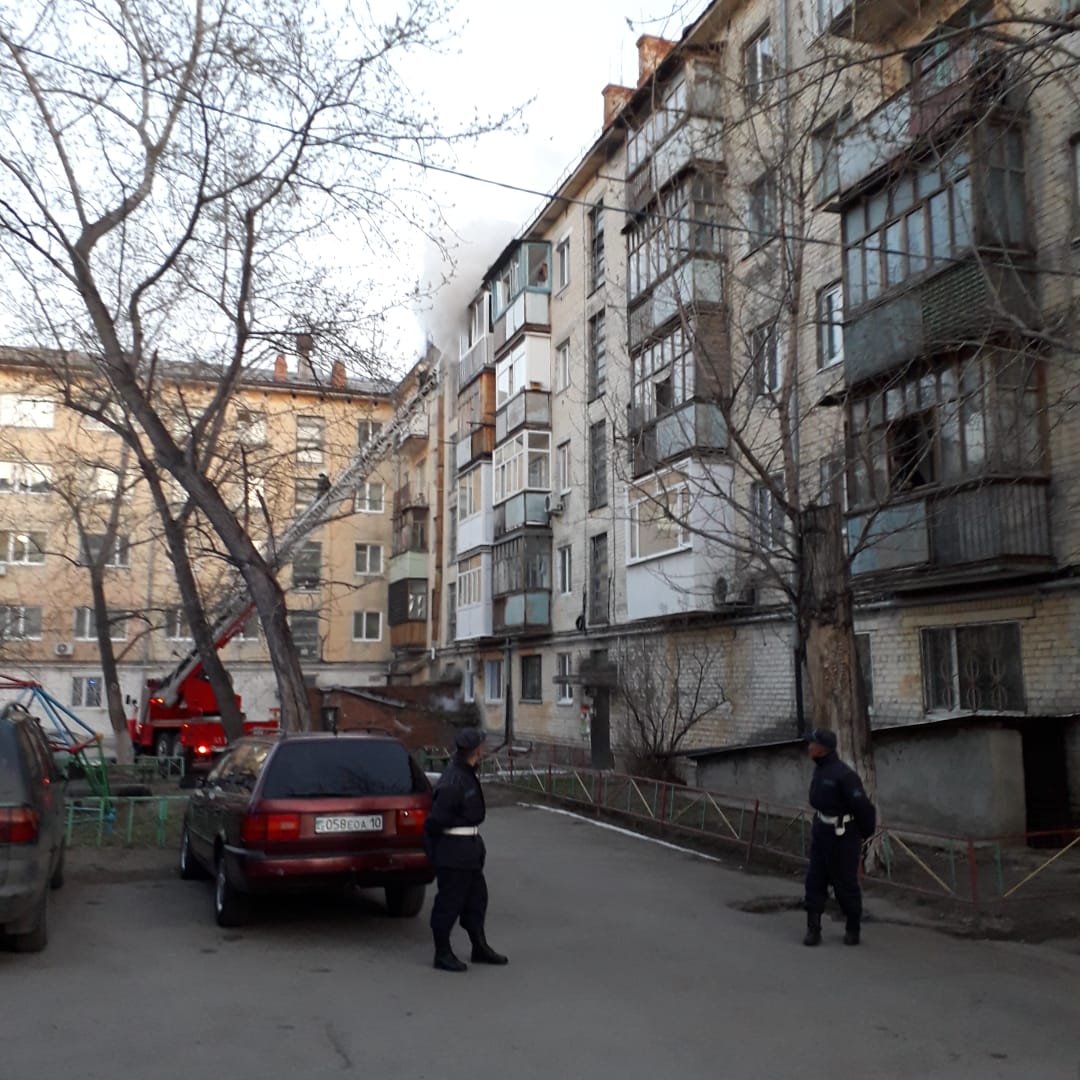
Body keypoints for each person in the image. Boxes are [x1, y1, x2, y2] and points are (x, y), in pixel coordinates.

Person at [424, 726, 508, 972]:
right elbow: (435, 821)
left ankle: (479, 947)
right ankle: (442, 953)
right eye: (482, 746)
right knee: (449, 903)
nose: (484, 750)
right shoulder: (453, 781)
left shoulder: (466, 773)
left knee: (476, 900)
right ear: (476, 750)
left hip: (468, 852)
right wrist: (438, 852)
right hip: (454, 853)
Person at [802, 728, 876, 947]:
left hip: (843, 837)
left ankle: (853, 928)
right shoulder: (820, 770)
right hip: (822, 832)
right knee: (815, 880)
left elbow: (863, 807)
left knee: (846, 884)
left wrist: (863, 834)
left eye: (812, 744)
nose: (809, 747)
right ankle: (813, 929)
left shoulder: (845, 775)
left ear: (823, 749)